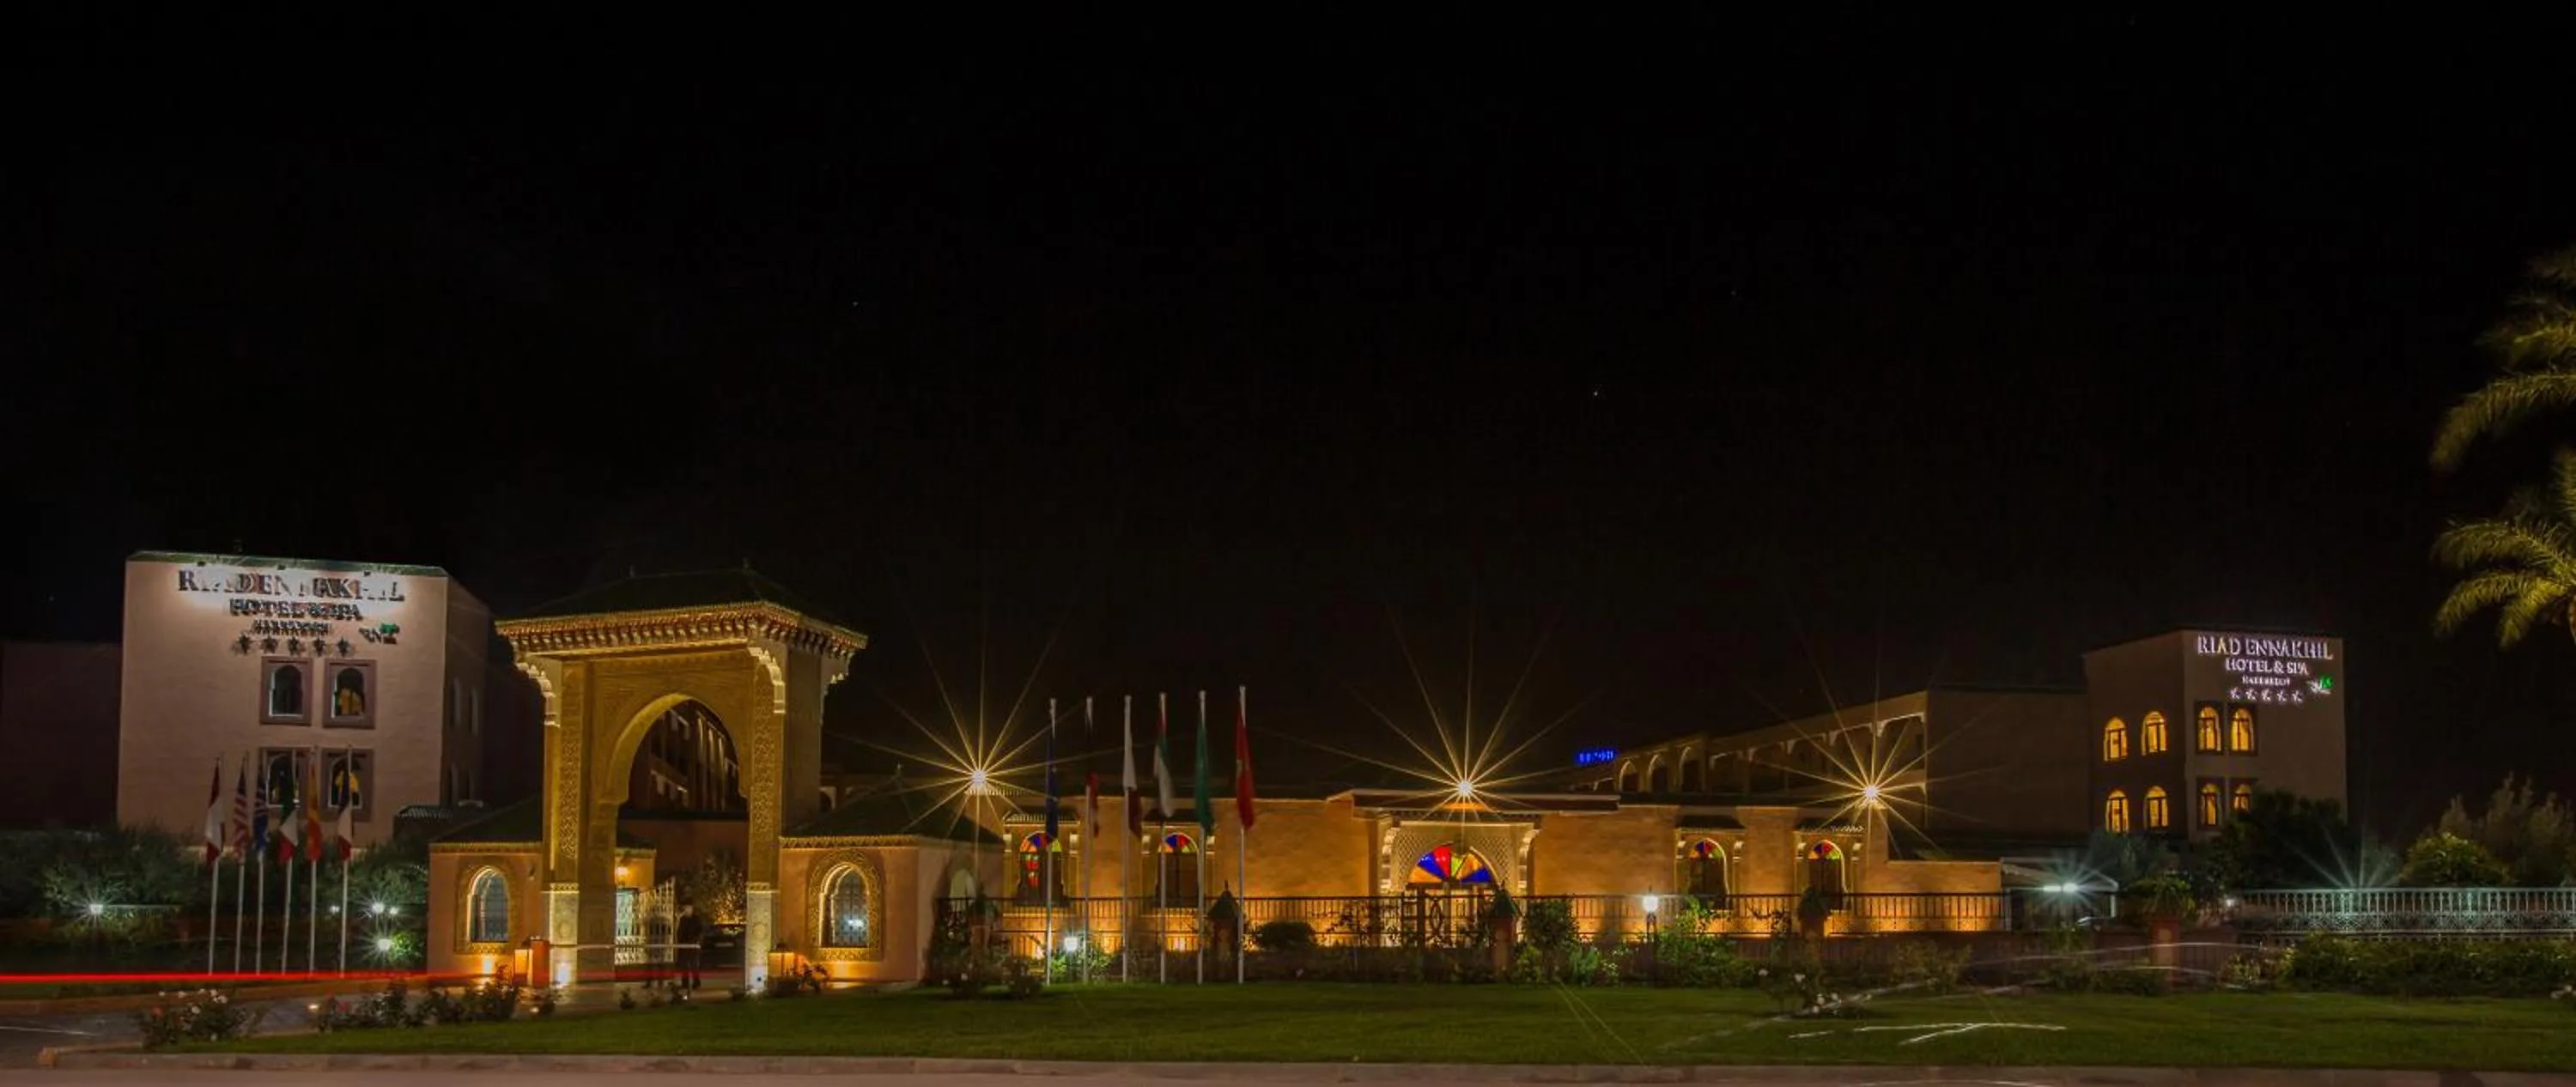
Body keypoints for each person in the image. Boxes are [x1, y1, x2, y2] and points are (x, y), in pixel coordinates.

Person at [674, 903, 706, 990]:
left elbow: (701, 932)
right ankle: (685, 984)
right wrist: (679, 942)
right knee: (684, 966)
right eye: (685, 908)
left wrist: (696, 941)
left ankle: (696, 982)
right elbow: (679, 932)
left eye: (688, 908)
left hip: (693, 946)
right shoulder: (683, 919)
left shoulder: (697, 919)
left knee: (693, 965)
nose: (686, 910)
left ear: (692, 908)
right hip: (684, 946)